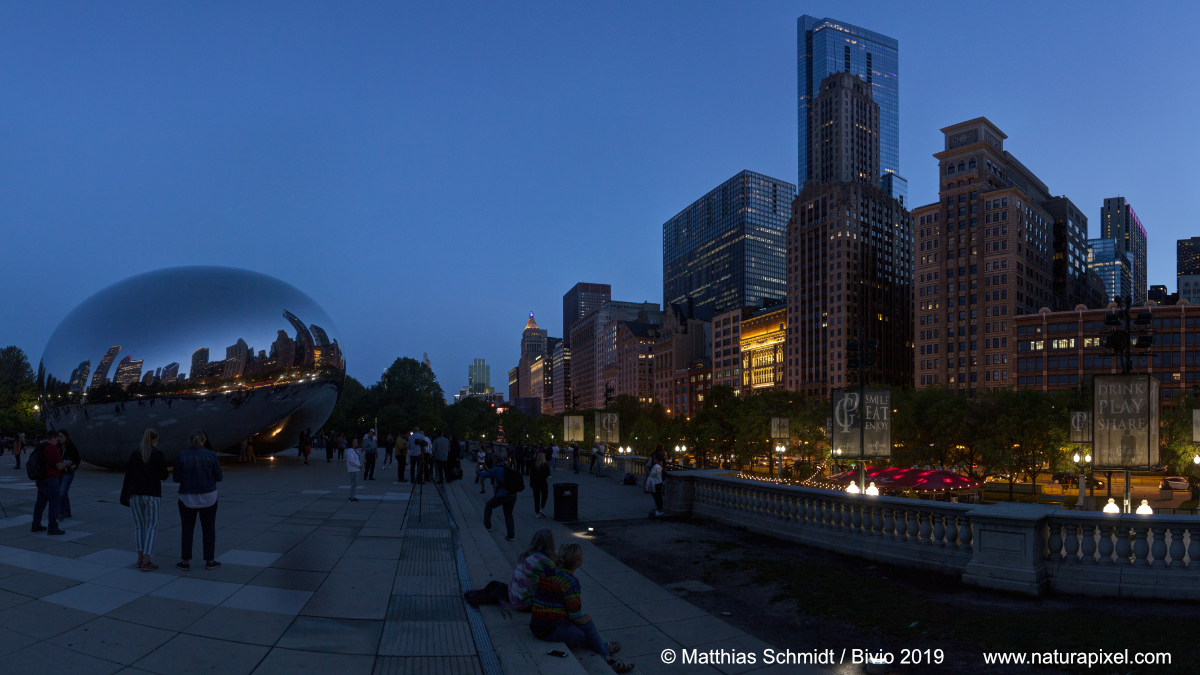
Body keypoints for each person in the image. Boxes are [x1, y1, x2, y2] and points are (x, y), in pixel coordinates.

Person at [530, 543, 631, 673]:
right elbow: (575, 616)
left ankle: (606, 648)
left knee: (586, 627)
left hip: (537, 623)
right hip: (549, 628)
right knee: (586, 630)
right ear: (577, 561)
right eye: (582, 555)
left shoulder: (550, 572)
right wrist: (586, 618)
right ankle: (606, 656)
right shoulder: (570, 581)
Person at [174, 432, 223, 571]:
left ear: (190, 440)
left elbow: (176, 478)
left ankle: (185, 561)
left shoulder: (181, 455)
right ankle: (210, 560)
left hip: (187, 497)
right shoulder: (211, 455)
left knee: (187, 529)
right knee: (208, 529)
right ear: (204, 439)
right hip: (209, 497)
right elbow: (219, 477)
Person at [121, 429, 168, 571]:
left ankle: (140, 559)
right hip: (152, 494)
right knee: (151, 527)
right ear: (155, 440)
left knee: (139, 526)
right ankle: (147, 560)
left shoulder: (135, 454)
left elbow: (128, 476)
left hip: (135, 495)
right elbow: (164, 475)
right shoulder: (157, 454)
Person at [31, 429, 71, 535]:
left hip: (40, 479)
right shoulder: (52, 448)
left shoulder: (39, 447)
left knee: (40, 503)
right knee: (54, 504)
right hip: (51, 479)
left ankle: (36, 524)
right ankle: (53, 527)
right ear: (53, 438)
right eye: (56, 439)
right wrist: (66, 463)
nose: (57, 441)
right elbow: (59, 466)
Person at [475, 455, 522, 541]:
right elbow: (497, 474)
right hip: (513, 494)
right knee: (508, 514)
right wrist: (489, 470)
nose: (492, 461)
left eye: (493, 459)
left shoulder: (497, 469)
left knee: (489, 506)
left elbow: (483, 475)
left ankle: (487, 526)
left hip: (503, 494)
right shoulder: (506, 467)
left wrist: (477, 470)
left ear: (496, 460)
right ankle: (511, 535)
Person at [57, 430, 80, 519]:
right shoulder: (58, 446)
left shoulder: (70, 446)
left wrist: (72, 466)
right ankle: (67, 511)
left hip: (68, 471)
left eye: (61, 436)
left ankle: (61, 512)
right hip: (60, 471)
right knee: (63, 492)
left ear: (66, 437)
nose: (59, 438)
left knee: (62, 491)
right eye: (58, 436)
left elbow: (77, 459)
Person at [530, 451, 551, 518]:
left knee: (536, 498)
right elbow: (547, 475)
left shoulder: (534, 465)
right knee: (544, 496)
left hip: (535, 483)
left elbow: (531, 475)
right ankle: (541, 508)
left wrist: (531, 483)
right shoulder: (545, 465)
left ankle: (537, 513)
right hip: (543, 483)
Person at [647, 446, 666, 517]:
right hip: (659, 482)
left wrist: (649, 473)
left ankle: (658, 509)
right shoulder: (660, 466)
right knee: (659, 496)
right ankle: (660, 509)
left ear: (656, 459)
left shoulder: (655, 466)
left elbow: (653, 474)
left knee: (656, 495)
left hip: (656, 482)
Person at [346, 438, 362, 502]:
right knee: (354, 483)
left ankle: (352, 495)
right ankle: (351, 496)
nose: (356, 443)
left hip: (356, 469)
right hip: (353, 469)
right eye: (355, 442)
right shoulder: (350, 451)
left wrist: (359, 465)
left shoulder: (356, 451)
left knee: (355, 483)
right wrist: (358, 465)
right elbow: (351, 460)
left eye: (356, 442)